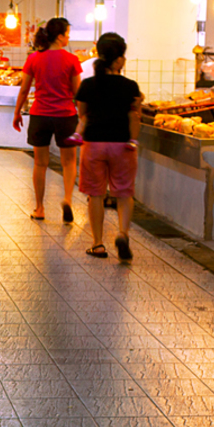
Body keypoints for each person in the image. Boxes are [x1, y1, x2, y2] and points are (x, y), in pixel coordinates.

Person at [76, 32, 143, 262]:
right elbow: (135, 116)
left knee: (95, 195)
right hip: (122, 145)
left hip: (93, 144)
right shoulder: (130, 86)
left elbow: (82, 114)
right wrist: (133, 140)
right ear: (119, 60)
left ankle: (97, 244)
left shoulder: (87, 85)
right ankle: (123, 234)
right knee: (124, 194)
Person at [12, 17, 82, 222]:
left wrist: (17, 112)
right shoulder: (72, 60)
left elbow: (24, 89)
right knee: (69, 162)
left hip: (40, 115)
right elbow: (77, 93)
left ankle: (40, 208)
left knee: (40, 163)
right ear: (60, 37)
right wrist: (84, 118)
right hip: (66, 116)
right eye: (67, 33)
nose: (69, 37)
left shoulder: (34, 58)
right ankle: (67, 199)